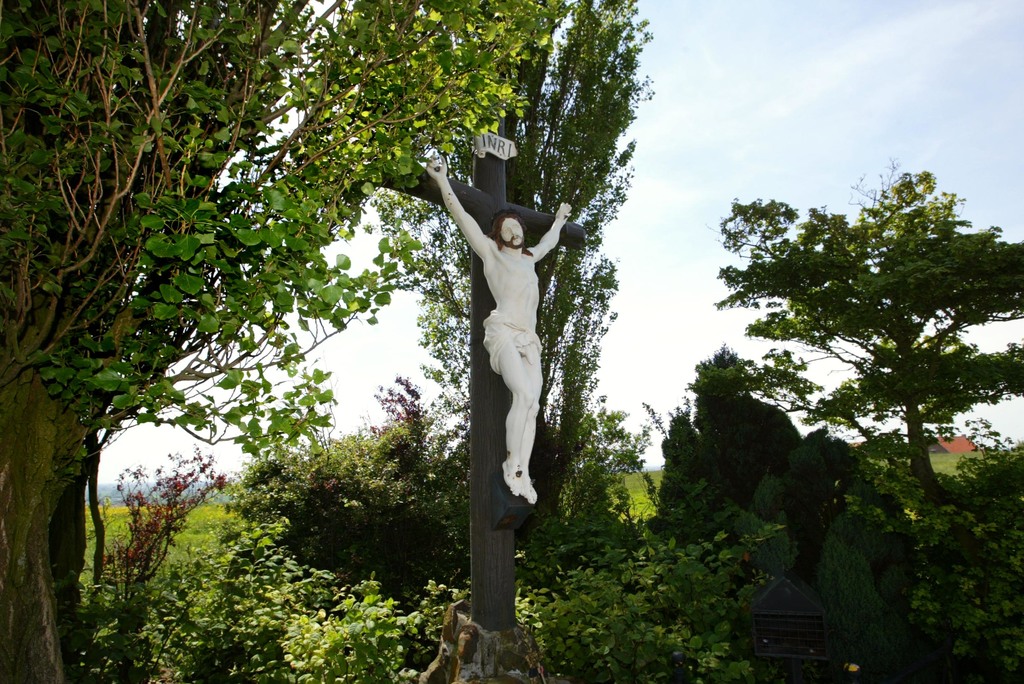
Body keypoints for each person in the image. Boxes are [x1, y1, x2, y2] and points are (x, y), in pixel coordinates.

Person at [426, 156, 571, 504]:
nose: (513, 231)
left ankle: (523, 470)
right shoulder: (492, 253)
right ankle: (512, 464)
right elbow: (462, 218)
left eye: (516, 227)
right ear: (499, 234)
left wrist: (560, 221)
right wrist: (442, 181)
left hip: (529, 338)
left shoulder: (530, 258)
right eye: (506, 228)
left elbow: (550, 241)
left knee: (533, 405)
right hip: (503, 330)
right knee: (522, 393)